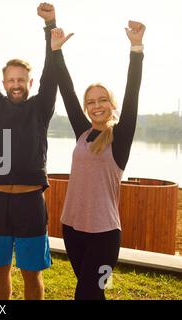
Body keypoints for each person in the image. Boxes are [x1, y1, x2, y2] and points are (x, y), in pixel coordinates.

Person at [50, 21, 145, 300]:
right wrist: (56, 52)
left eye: (102, 100)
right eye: (90, 102)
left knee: (87, 295)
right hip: (72, 228)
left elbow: (133, 93)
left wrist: (136, 49)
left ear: (111, 105)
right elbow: (67, 92)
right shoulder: (83, 133)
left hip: (104, 236)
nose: (96, 105)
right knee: (94, 294)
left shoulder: (120, 137)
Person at [0, 3, 58, 300]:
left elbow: (52, 73)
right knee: (0, 269)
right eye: (11, 80)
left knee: (31, 272)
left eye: (21, 80)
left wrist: (50, 26)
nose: (16, 84)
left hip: (30, 203)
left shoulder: (41, 107)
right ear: (4, 83)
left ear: (29, 83)